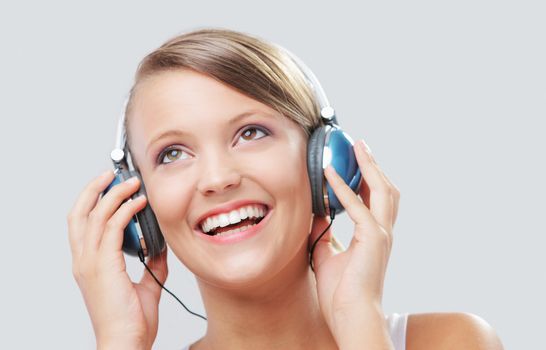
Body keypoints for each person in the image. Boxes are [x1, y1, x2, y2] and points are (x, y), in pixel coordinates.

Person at [67, 28, 504, 350]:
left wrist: (358, 324)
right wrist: (121, 341)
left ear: (325, 160)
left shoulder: (452, 341)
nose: (219, 179)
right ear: (137, 207)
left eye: (251, 133)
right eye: (173, 154)